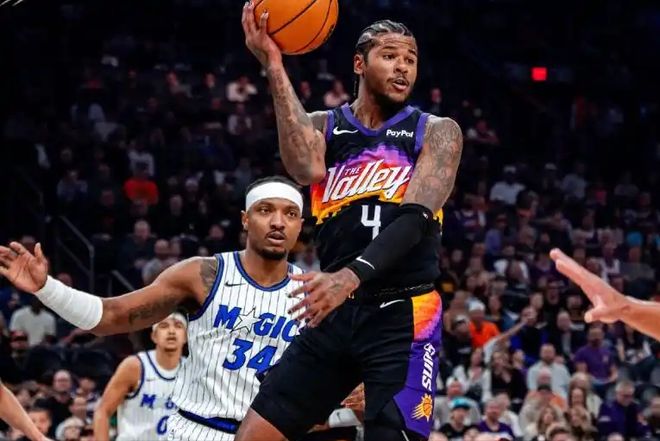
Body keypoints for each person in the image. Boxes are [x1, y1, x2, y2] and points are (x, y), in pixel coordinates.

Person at [240, 5, 462, 441]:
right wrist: (274, 64)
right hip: (336, 310)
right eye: (390, 56)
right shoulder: (324, 127)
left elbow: (414, 220)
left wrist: (350, 276)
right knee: (255, 435)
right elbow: (303, 168)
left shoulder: (437, 131)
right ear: (359, 64)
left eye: (410, 59)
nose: (402, 67)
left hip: (404, 313)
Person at [0, 176, 314, 441]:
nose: (277, 222)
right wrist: (46, 288)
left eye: (290, 214)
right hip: (197, 431)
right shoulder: (202, 274)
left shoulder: (315, 293)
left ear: (300, 226)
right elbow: (110, 316)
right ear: (245, 219)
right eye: (265, 210)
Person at [93, 313, 186, 441]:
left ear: (186, 337)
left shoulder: (194, 371)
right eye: (164, 326)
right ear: (154, 336)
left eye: (178, 326)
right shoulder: (135, 366)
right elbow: (102, 412)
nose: (171, 331)